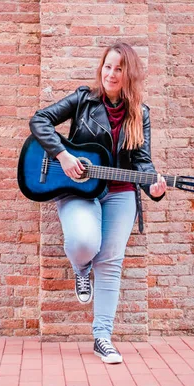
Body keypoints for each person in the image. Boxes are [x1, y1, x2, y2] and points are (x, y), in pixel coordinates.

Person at [29, 42, 167, 364]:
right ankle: (80, 267)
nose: (111, 73)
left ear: (128, 73)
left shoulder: (140, 114)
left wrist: (155, 188)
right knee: (83, 242)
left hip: (121, 193)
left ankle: (102, 337)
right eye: (107, 66)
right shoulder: (83, 100)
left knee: (110, 263)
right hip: (80, 188)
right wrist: (62, 156)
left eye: (119, 68)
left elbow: (143, 163)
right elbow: (39, 121)